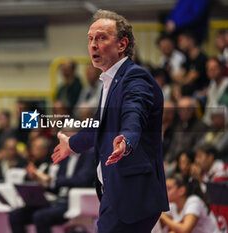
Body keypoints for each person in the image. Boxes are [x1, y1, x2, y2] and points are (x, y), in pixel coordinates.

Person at [51, 10, 169, 232]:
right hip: (116, 192)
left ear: (122, 44)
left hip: (133, 195)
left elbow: (134, 114)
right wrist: (72, 144)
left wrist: (127, 138)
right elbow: (99, 128)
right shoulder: (109, 81)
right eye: (90, 39)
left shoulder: (134, 77)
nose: (93, 44)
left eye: (101, 37)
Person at [10, 131, 95, 233]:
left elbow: (82, 180)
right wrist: (42, 182)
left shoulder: (89, 154)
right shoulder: (65, 157)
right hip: (58, 200)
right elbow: (56, 186)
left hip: (74, 202)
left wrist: (53, 180)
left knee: (40, 216)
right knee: (16, 215)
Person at [202, 58, 228, 125]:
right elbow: (209, 110)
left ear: (221, 69)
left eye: (214, 68)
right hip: (212, 125)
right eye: (209, 69)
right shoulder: (211, 87)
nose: (212, 71)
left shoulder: (227, 85)